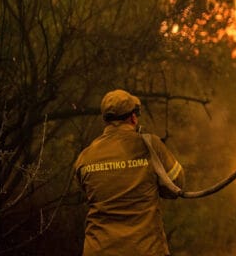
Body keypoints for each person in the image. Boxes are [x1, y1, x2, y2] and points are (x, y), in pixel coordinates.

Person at [74, 89, 185, 256]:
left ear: (106, 120)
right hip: (145, 250)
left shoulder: (85, 157)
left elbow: (87, 194)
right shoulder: (150, 146)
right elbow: (177, 185)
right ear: (133, 117)